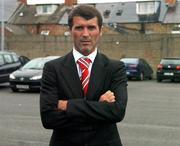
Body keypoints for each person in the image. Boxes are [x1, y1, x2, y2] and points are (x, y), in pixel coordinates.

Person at [40, 4, 128, 146]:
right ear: (70, 30)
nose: (85, 34)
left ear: (100, 31)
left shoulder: (115, 68)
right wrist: (99, 107)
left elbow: (117, 112)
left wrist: (67, 105)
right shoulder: (52, 68)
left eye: (91, 27)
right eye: (79, 27)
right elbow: (48, 118)